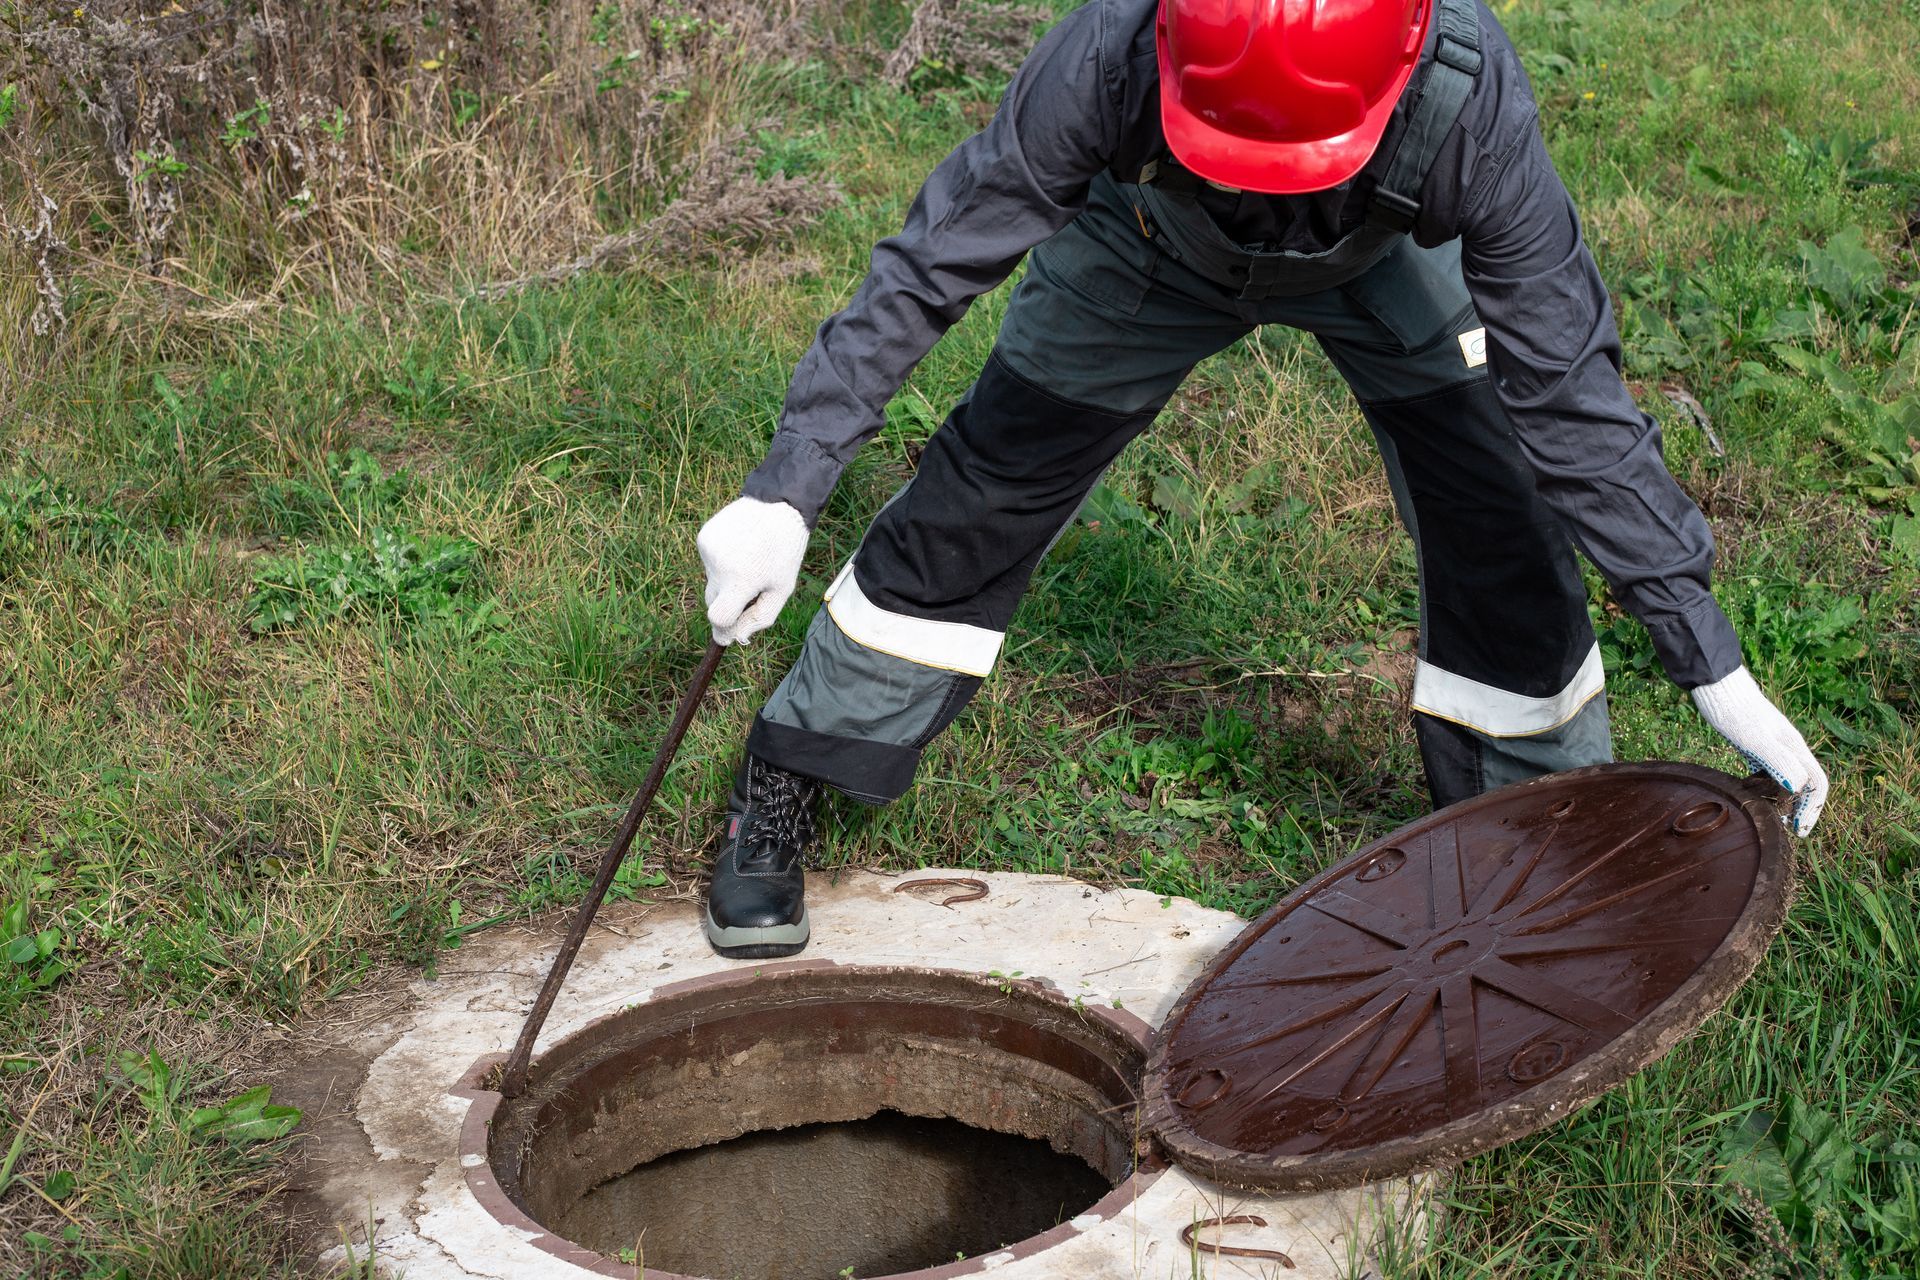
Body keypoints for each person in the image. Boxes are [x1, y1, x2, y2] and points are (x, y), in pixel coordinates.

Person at [692, 0, 1829, 958]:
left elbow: (1570, 391)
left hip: (1385, 255)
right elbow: (935, 260)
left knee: (1502, 509)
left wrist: (1708, 657)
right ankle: (785, 778)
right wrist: (785, 489)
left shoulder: (1471, 98)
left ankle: (1521, 832)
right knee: (989, 480)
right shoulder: (1107, 55)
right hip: (1147, 242)